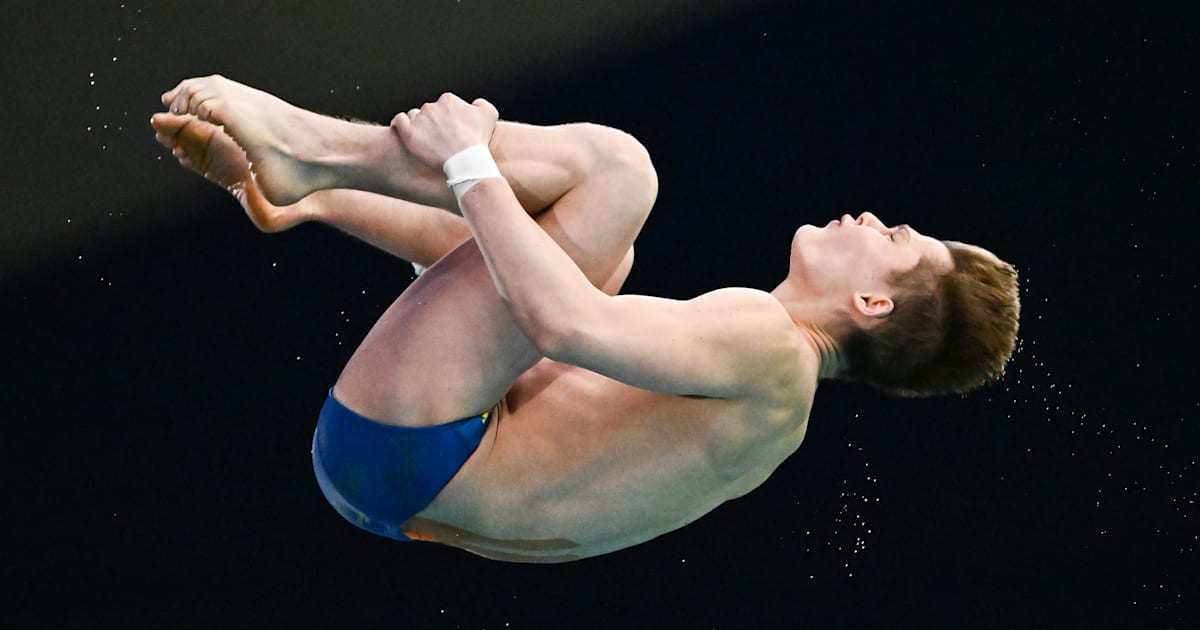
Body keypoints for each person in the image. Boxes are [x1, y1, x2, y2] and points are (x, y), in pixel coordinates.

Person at [152, 75, 1019, 563]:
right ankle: (306, 180)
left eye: (897, 238)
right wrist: (319, 209)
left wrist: (464, 157)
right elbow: (511, 315)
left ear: (873, 304)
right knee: (586, 253)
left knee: (620, 174)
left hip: (419, 447)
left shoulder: (770, 346)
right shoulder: (765, 399)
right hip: (405, 474)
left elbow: (556, 324)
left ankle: (308, 143)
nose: (872, 220)